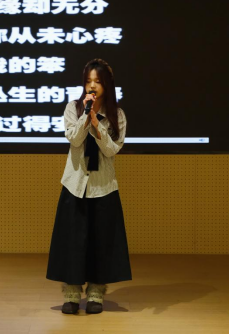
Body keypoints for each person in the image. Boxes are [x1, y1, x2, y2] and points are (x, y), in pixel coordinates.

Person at [46, 58, 132, 314]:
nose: (92, 86)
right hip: (75, 185)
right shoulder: (73, 108)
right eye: (88, 81)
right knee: (73, 241)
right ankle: (72, 294)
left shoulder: (117, 115)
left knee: (100, 242)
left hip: (103, 187)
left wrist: (98, 125)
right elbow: (73, 140)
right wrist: (86, 117)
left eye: (97, 81)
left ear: (107, 84)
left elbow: (112, 149)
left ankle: (96, 294)